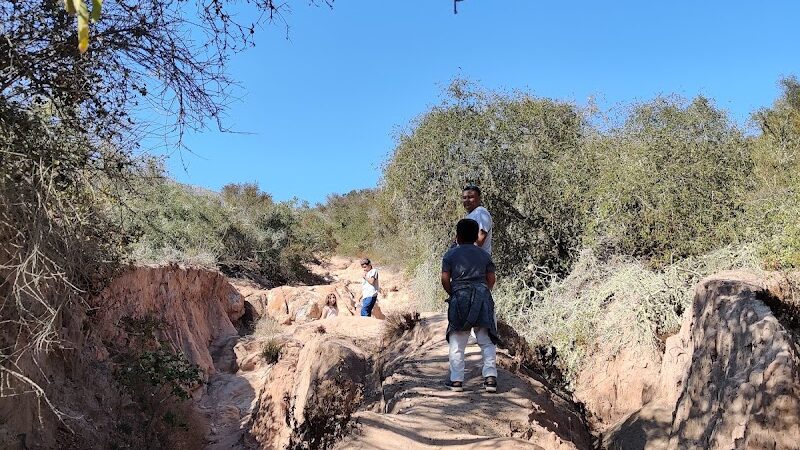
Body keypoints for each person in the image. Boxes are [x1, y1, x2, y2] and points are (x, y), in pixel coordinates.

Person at [441, 218, 498, 393]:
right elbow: (491, 279)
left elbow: (445, 278)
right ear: (476, 236)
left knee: (457, 342)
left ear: (457, 236)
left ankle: (456, 380)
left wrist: (454, 293)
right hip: (482, 297)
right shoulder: (484, 255)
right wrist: (482, 292)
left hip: (460, 297)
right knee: (486, 341)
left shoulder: (450, 255)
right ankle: (490, 379)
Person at [462, 184, 493, 256]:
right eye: (464, 198)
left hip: (475, 262)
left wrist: (464, 256)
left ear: (479, 198)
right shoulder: (472, 215)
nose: (467, 200)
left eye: (470, 197)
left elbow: (480, 238)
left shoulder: (480, 213)